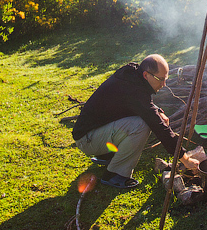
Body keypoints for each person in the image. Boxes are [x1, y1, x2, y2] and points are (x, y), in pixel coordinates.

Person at [73, 54, 179, 189]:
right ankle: (115, 174)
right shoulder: (133, 88)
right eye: (161, 79)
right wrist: (183, 157)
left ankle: (108, 155)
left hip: (94, 131)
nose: (164, 84)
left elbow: (141, 103)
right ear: (146, 75)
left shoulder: (133, 76)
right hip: (87, 139)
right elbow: (158, 126)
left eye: (166, 79)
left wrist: (158, 111)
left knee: (141, 120)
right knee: (141, 125)